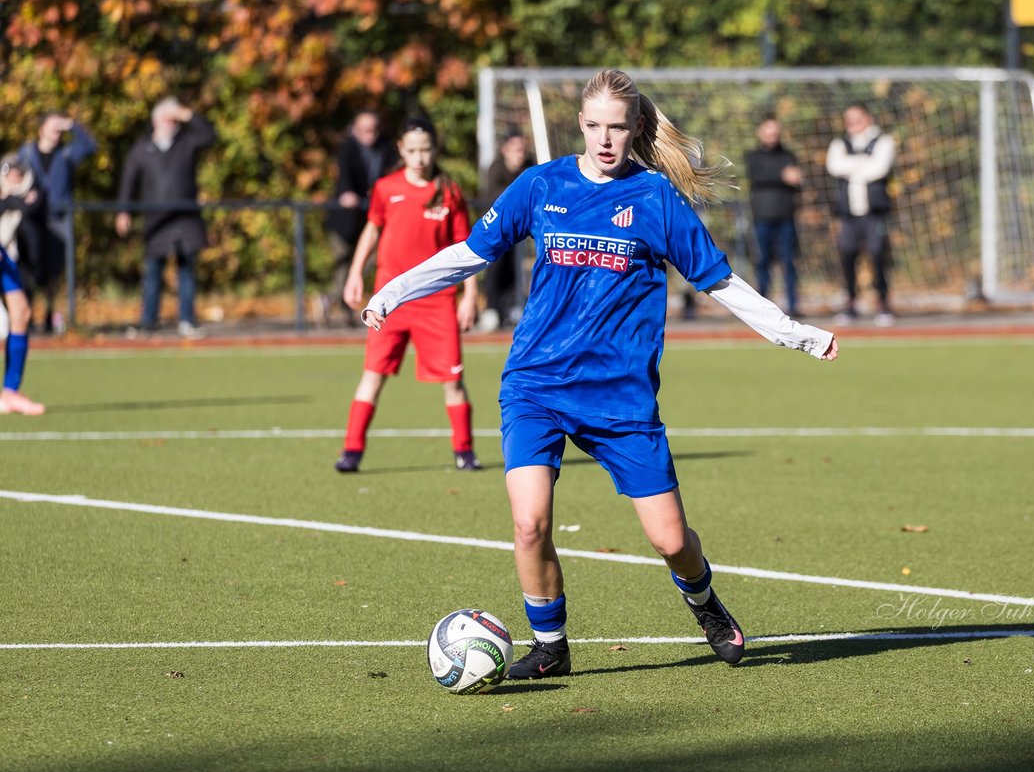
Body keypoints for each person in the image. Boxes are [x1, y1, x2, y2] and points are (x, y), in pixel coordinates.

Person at [360, 69, 839, 679]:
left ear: (637, 127)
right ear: (580, 125)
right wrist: (394, 289)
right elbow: (469, 255)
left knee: (671, 541)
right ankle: (551, 646)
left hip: (620, 397)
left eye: (619, 127)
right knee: (530, 522)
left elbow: (721, 283)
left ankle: (704, 602)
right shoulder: (540, 185)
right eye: (596, 126)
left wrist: (796, 333)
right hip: (536, 383)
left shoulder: (656, 199)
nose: (606, 139)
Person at [336, 117, 481, 474]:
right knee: (373, 374)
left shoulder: (448, 191)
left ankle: (464, 451)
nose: (419, 157)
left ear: (435, 149)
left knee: (453, 379)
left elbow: (469, 248)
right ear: (401, 149)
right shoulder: (386, 188)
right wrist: (356, 273)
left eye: (426, 149)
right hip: (390, 299)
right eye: (412, 150)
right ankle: (351, 451)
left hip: (438, 299)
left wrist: (469, 295)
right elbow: (372, 230)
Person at [115, 97, 216, 338]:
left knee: (186, 270)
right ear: (156, 120)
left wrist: (186, 114)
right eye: (167, 118)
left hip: (185, 218)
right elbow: (128, 181)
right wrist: (123, 210)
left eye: (174, 119)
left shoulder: (187, 142)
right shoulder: (142, 148)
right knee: (152, 271)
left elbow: (210, 135)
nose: (171, 124)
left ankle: (187, 321)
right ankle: (148, 321)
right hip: (156, 220)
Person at [18, 110, 97, 333]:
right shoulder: (25, 154)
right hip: (31, 219)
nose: (56, 133)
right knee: (30, 267)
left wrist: (71, 125)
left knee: (54, 270)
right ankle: (27, 314)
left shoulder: (67, 153)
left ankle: (50, 313)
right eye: (52, 127)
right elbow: (10, 176)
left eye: (59, 129)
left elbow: (90, 146)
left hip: (58, 218)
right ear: (41, 129)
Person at [323, 110, 397, 327]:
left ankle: (334, 301)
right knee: (343, 263)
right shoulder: (347, 148)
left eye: (374, 129)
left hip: (368, 220)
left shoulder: (386, 148)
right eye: (365, 129)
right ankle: (336, 301)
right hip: (344, 221)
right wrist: (347, 192)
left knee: (367, 261)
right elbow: (344, 176)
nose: (370, 134)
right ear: (355, 129)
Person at [826, 102, 896, 327]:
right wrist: (863, 165)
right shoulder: (840, 143)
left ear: (868, 118)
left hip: (874, 214)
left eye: (857, 118)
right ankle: (850, 304)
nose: (852, 123)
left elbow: (879, 169)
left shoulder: (883, 141)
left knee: (878, 256)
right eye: (848, 119)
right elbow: (835, 167)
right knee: (847, 256)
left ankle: (883, 304)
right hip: (848, 215)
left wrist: (852, 168)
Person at [0, 154, 47, 415]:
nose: (15, 176)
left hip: (4, 256)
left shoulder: (31, 193)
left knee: (21, 312)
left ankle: (10, 392)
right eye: (10, 171)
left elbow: (31, 207)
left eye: (20, 172)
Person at [475, 131, 535, 333]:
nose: (520, 154)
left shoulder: (529, 168)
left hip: (522, 229)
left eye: (522, 149)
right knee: (495, 268)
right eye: (516, 149)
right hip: (498, 229)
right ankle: (492, 310)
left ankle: (513, 308)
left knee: (516, 271)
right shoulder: (496, 169)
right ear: (505, 150)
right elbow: (498, 200)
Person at [746, 117, 803, 317]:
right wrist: (782, 176)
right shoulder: (753, 156)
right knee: (762, 261)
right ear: (761, 133)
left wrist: (793, 179)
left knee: (788, 261)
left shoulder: (788, 155)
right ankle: (762, 304)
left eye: (775, 133)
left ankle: (793, 304)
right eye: (769, 132)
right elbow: (758, 176)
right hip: (762, 217)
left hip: (786, 217)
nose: (772, 137)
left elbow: (797, 180)